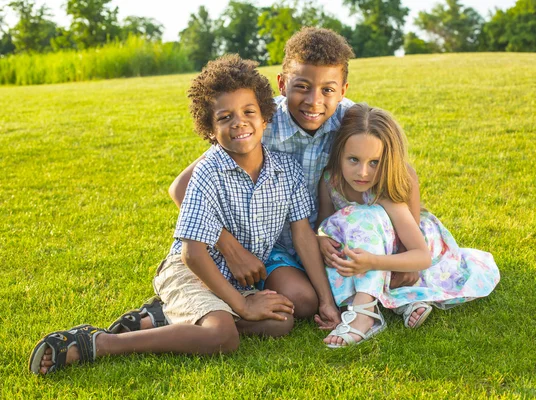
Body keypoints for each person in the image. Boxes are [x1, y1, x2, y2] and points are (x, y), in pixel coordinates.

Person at [29, 54, 339, 375]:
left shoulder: (286, 170)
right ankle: (98, 343)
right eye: (224, 117)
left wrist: (326, 301)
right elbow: (193, 254)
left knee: (281, 321)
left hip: (231, 278)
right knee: (222, 335)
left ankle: (164, 317)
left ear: (265, 118)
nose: (239, 123)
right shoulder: (207, 172)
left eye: (249, 112)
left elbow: (303, 235)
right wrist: (243, 304)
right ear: (209, 128)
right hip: (190, 270)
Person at [139, 27, 422, 334]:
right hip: (271, 241)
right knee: (302, 300)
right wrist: (232, 249)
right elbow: (180, 188)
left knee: (314, 299)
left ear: (342, 90)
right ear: (283, 83)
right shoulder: (257, 119)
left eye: (327, 90)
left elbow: (404, 175)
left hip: (326, 238)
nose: (314, 101)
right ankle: (192, 310)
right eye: (302, 87)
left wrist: (405, 251)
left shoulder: (349, 120)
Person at [317, 104, 500, 347]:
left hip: (408, 243)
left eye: (374, 162)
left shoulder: (387, 187)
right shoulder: (331, 181)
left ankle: (366, 314)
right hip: (365, 249)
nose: (363, 172)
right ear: (339, 153)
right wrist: (321, 239)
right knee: (340, 247)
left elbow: (420, 255)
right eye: (353, 159)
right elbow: (325, 224)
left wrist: (374, 262)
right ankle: (402, 300)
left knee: (363, 216)